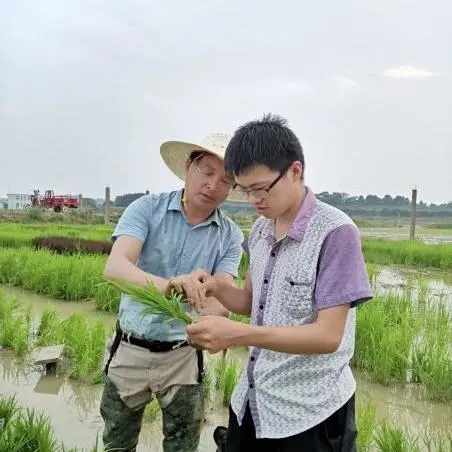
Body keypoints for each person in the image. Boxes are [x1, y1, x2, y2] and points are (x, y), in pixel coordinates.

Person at [186, 114, 374, 451]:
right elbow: (252, 300)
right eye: (244, 190)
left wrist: (238, 334)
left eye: (260, 189)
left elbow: (328, 335)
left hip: (310, 415)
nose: (254, 200)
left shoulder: (335, 233)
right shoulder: (260, 229)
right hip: (253, 402)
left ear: (295, 171)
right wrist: (216, 286)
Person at [99, 133, 244, 452]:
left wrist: (219, 316)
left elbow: (221, 299)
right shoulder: (146, 209)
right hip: (130, 349)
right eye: (207, 171)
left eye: (225, 180)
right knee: (117, 443)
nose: (213, 185)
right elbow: (116, 268)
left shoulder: (230, 236)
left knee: (182, 444)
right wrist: (170, 286)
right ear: (188, 167)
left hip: (183, 355)